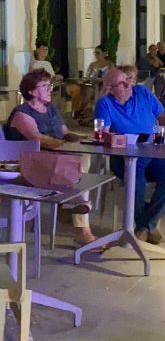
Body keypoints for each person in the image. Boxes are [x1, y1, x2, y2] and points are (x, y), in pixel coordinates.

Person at [3, 69, 104, 247]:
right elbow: (39, 140)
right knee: (77, 160)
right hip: (30, 163)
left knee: (84, 155)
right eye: (44, 86)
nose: (50, 89)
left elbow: (65, 133)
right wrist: (69, 146)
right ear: (31, 91)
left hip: (55, 160)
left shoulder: (51, 109)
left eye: (49, 85)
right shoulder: (22, 113)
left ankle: (70, 204)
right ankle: (77, 213)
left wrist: (84, 140)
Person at [94, 66, 165, 246]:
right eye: (122, 83)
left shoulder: (142, 92)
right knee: (137, 183)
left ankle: (144, 226)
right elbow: (101, 134)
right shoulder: (105, 103)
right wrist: (112, 136)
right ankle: (145, 227)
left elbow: (163, 116)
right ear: (110, 88)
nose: (128, 85)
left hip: (152, 150)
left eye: (127, 80)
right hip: (124, 156)